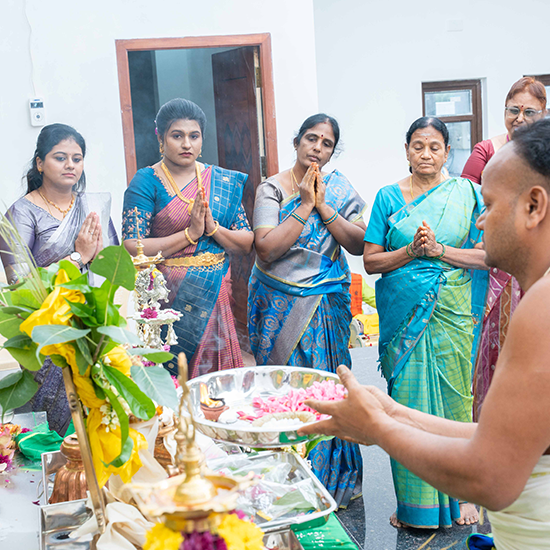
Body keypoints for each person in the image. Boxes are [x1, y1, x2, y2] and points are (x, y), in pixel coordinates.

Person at [300, 118, 550, 550]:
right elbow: (499, 440)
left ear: (534, 206)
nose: (481, 221)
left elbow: (491, 474)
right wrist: (393, 415)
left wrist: (378, 426)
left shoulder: (541, 308)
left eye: (489, 205)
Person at [363, 117, 488, 529]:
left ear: (447, 153)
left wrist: (439, 250)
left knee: (456, 401)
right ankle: (414, 505)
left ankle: (463, 497)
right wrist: (412, 254)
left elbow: (488, 255)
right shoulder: (386, 197)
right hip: (405, 316)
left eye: (435, 147)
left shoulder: (468, 193)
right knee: (408, 403)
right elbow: (371, 260)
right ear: (406, 150)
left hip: (452, 310)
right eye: (418, 146)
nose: (426, 154)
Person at [248, 113, 366, 507]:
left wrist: (325, 207)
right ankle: (288, 483)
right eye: (311, 139)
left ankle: (333, 481)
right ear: (297, 142)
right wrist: (304, 204)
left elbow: (358, 243)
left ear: (333, 150)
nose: (317, 148)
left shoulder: (340, 187)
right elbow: (266, 247)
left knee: (328, 384)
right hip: (277, 304)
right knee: (286, 390)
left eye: (326, 143)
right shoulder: (272, 189)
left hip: (326, 302)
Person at [0, 123, 119, 435]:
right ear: (40, 163)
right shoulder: (21, 213)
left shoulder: (92, 207)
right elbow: (21, 285)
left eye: (77, 159)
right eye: (60, 157)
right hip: (46, 334)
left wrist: (100, 257)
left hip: (90, 328)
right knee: (52, 430)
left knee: (98, 422)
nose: (70, 165)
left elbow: (113, 269)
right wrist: (79, 256)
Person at [122, 98, 253, 378]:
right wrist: (188, 235)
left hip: (216, 293)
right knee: (176, 382)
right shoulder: (146, 181)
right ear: (161, 138)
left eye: (194, 136)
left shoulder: (220, 181)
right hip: (168, 298)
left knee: (219, 385)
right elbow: (133, 246)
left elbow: (246, 242)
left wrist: (213, 229)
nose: (186, 144)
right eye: (177, 136)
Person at [461, 77, 547, 421]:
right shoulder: (488, 152)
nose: (520, 117)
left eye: (530, 111)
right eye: (514, 110)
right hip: (493, 275)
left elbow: (492, 457)